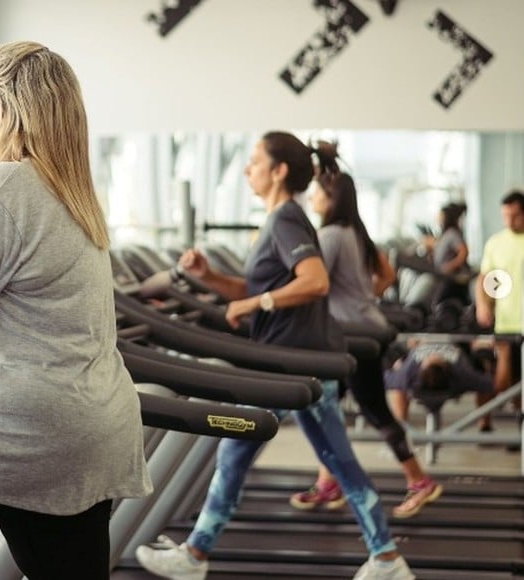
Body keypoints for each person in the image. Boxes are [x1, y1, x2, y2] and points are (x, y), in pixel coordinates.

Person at [0, 40, 152, 579]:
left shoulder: (3, 186)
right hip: (80, 431)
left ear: (3, 108)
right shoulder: (67, 192)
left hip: (9, 437)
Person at [135, 131, 414, 580]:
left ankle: (196, 555)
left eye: (255, 161)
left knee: (234, 453)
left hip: (289, 364)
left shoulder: (285, 219)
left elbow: (314, 281)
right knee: (336, 459)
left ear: (279, 170)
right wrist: (214, 280)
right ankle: (385, 557)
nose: (248, 169)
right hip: (300, 362)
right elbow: (258, 288)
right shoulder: (282, 219)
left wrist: (255, 305)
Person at [289, 143, 442, 519]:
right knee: (326, 406)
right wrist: (364, 302)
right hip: (361, 329)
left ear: (331, 197)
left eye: (317, 193)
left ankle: (420, 480)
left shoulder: (330, 236)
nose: (311, 199)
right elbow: (387, 275)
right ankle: (329, 481)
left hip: (349, 339)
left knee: (374, 411)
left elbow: (311, 282)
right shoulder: (355, 232)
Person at [475, 190, 524, 434]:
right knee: (505, 380)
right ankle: (486, 423)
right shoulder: (496, 243)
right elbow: (485, 278)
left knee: (520, 385)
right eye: (505, 216)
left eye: (514, 216)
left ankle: (519, 431)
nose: (509, 222)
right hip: (506, 324)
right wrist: (483, 304)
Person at [384, 341, 495, 423]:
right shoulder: (463, 374)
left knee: (398, 381)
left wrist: (397, 368)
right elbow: (492, 384)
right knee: (482, 359)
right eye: (436, 359)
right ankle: (485, 425)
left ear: (422, 368)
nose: (434, 355)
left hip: (420, 341)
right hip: (458, 342)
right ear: (445, 367)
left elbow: (384, 379)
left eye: (430, 360)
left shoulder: (407, 376)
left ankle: (399, 430)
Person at [430, 202, 472, 306]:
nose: (438, 218)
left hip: (452, 279)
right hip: (443, 278)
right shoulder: (445, 234)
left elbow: (464, 252)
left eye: (441, 216)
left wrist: (449, 266)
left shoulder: (453, 233)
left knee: (438, 303)